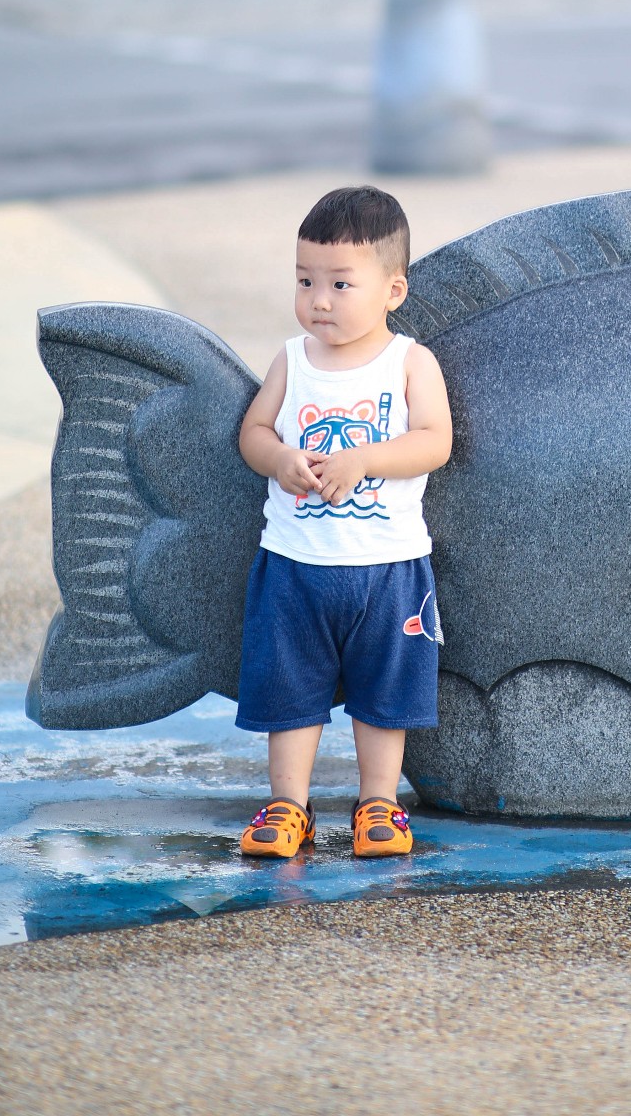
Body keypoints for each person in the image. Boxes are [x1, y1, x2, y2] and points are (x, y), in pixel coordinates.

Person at [234, 185, 452, 860]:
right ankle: (287, 805)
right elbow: (254, 430)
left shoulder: (409, 362)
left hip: (387, 566)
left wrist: (363, 459)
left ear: (392, 290)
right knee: (289, 692)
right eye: (304, 280)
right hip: (295, 564)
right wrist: (279, 460)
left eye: (338, 283)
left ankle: (378, 802)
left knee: (385, 694)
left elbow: (434, 441)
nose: (317, 300)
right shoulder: (292, 360)